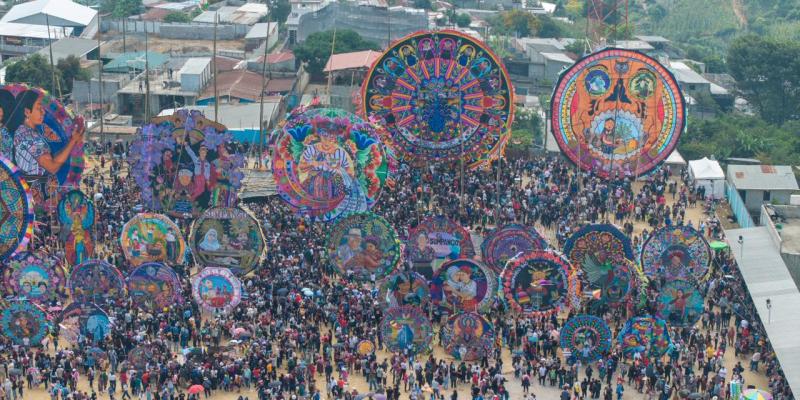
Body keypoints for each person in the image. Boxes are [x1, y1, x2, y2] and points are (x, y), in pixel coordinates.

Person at [9, 90, 83, 177]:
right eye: (39, 108)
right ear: (27, 112)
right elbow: (52, 167)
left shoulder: (25, 132)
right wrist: (72, 140)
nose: (43, 112)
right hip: (33, 187)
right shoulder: (28, 137)